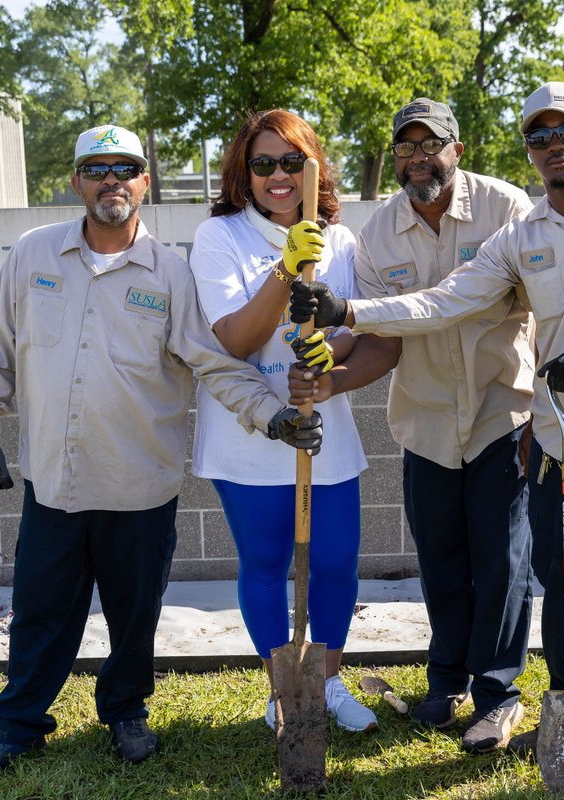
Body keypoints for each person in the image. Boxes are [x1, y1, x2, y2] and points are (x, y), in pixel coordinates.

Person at [289, 82, 564, 800]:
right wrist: (348, 308)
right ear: (530, 150)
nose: (555, 147)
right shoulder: (523, 236)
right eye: (540, 138)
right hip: (557, 445)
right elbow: (446, 300)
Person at [0, 124, 323, 787]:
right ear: (76, 182)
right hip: (56, 486)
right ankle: (17, 725)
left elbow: (216, 363)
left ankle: (125, 710)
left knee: (134, 613)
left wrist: (275, 416)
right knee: (40, 611)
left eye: (126, 168)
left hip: (140, 487)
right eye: (96, 169)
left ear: (145, 183)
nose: (111, 180)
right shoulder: (33, 256)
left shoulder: (171, 274)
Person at [288, 98, 537, 754]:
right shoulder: (380, 233)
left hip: (499, 414)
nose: (418, 157)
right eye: (405, 147)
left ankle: (497, 695)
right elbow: (384, 339)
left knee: (502, 563)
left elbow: (447, 304)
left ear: (458, 149)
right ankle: (447, 680)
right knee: (442, 561)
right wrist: (330, 372)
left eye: (432, 145)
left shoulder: (506, 210)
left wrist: (349, 309)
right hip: (424, 422)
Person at [187, 109, 377, 733]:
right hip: (248, 436)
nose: (277, 175)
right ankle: (284, 691)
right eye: (263, 163)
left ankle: (325, 682)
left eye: (290, 162)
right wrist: (283, 267)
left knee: (334, 563)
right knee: (266, 563)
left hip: (323, 427)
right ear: (245, 170)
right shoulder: (219, 237)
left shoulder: (342, 241)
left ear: (311, 167)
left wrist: (330, 356)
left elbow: (356, 331)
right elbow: (236, 340)